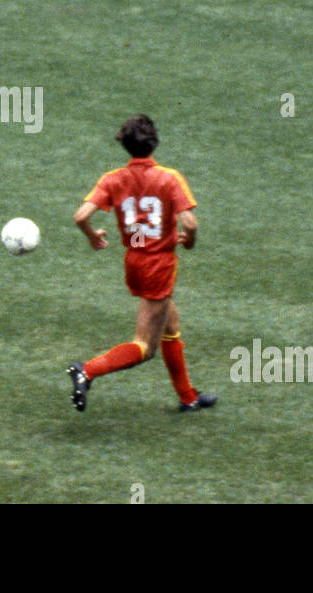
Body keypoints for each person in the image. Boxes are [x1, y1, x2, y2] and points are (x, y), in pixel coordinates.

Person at [67, 115, 216, 413]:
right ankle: (87, 370)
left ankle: (188, 397)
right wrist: (189, 240)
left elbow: (81, 216)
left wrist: (93, 236)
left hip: (134, 260)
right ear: (154, 143)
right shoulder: (169, 177)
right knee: (145, 347)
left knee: (170, 326)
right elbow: (190, 222)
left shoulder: (113, 178)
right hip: (158, 265)